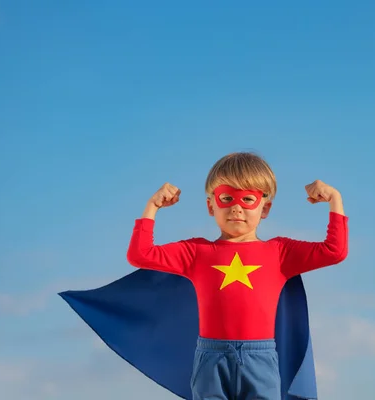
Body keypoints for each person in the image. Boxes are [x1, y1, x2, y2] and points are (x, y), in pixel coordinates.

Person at [126, 152, 349, 399]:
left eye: (248, 199)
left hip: (260, 358)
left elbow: (334, 251)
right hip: (210, 358)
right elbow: (140, 254)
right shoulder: (196, 252)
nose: (236, 208)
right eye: (226, 197)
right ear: (211, 206)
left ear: (265, 208)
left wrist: (334, 199)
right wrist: (152, 206)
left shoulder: (280, 252)